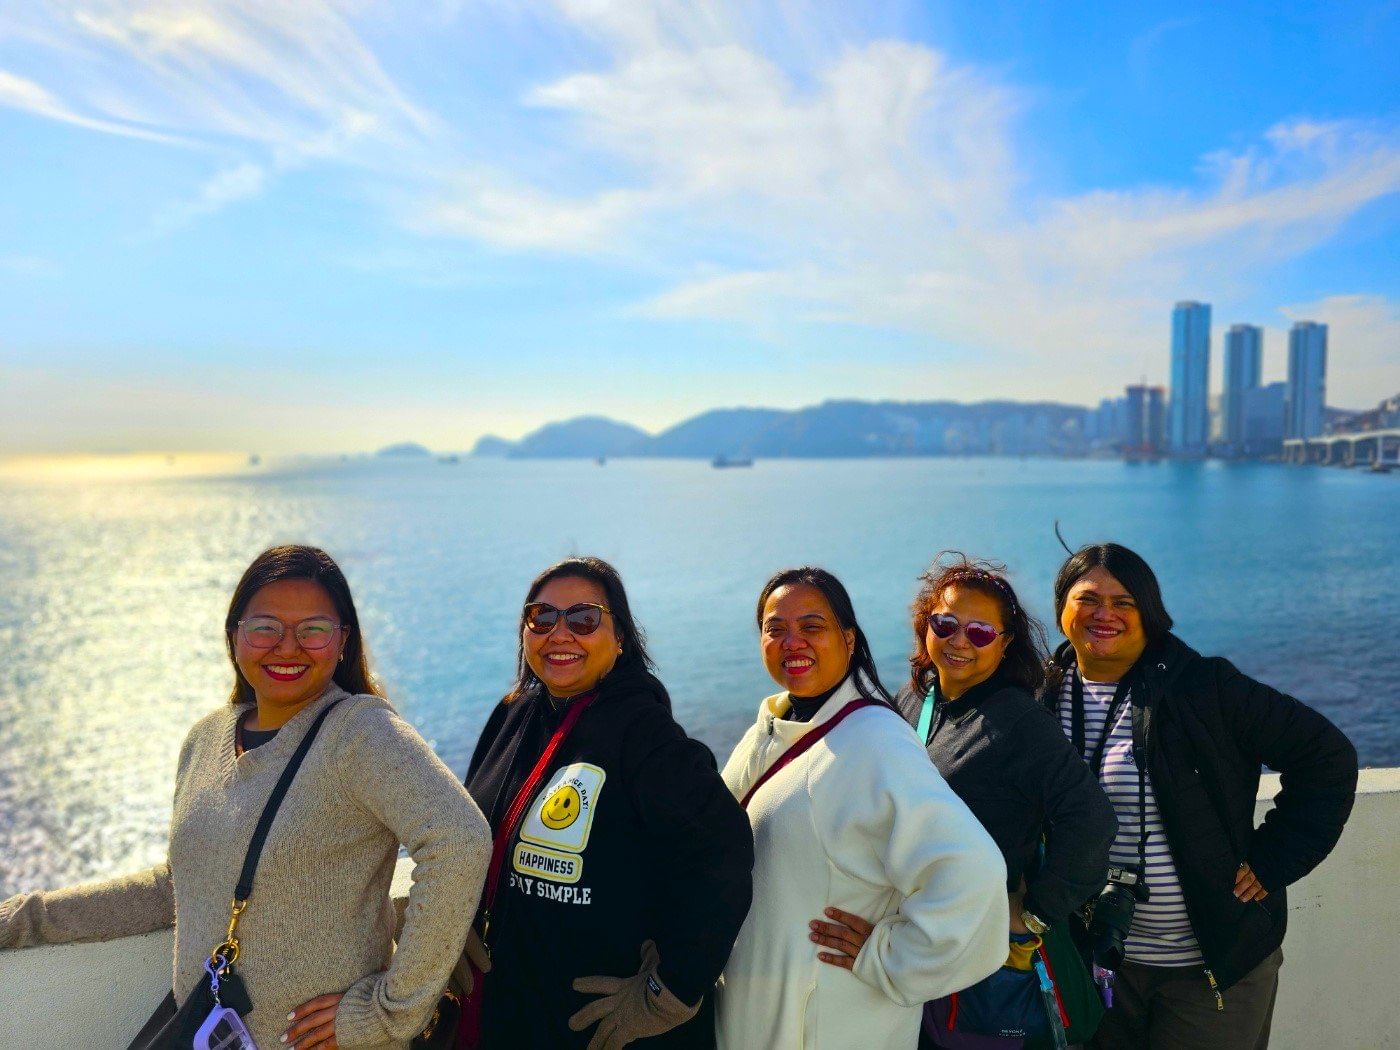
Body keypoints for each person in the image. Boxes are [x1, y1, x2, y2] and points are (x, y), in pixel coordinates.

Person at [0, 544, 492, 1050]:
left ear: (343, 641)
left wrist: (389, 1010)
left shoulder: (361, 732)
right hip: (207, 1034)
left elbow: (459, 840)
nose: (287, 647)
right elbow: (181, 883)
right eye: (265, 627)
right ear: (234, 634)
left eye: (314, 629)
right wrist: (22, 920)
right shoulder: (206, 738)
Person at [1043, 542, 1358, 1050]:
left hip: (1207, 968)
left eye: (1124, 602)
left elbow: (1327, 757)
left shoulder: (1203, 687)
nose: (1105, 614)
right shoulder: (1041, 695)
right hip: (1092, 964)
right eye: (1087, 599)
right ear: (1062, 608)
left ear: (1151, 613)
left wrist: (1275, 857)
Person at [461, 556, 754, 1049]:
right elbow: (472, 826)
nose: (560, 633)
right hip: (511, 1008)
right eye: (542, 617)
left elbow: (724, 855)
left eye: (583, 619)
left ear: (620, 639)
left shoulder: (645, 735)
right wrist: (460, 921)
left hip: (597, 1027)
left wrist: (670, 990)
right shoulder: (516, 714)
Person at [716, 566, 1009, 1050]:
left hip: (828, 1020)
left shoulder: (874, 744)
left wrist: (889, 958)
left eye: (812, 627)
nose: (793, 642)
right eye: (776, 628)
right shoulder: (775, 724)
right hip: (754, 1007)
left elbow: (971, 873)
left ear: (848, 640)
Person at [894, 554, 1116, 1048]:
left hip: (980, 953)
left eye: (979, 633)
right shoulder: (914, 700)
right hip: (913, 942)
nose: (958, 641)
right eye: (946, 623)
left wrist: (1035, 913)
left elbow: (1092, 818)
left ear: (1004, 643)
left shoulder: (1016, 721)